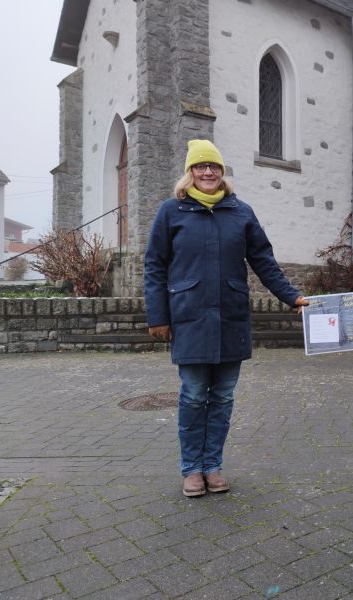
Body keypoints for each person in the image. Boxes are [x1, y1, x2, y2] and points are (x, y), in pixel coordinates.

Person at [144, 139, 309, 497]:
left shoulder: (241, 212)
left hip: (231, 318)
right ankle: (191, 469)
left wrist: (292, 297)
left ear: (222, 173)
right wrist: (158, 315)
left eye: (214, 167)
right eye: (200, 167)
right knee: (192, 396)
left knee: (221, 398)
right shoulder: (171, 212)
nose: (207, 172)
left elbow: (263, 260)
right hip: (189, 317)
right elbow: (154, 265)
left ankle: (213, 466)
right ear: (189, 174)